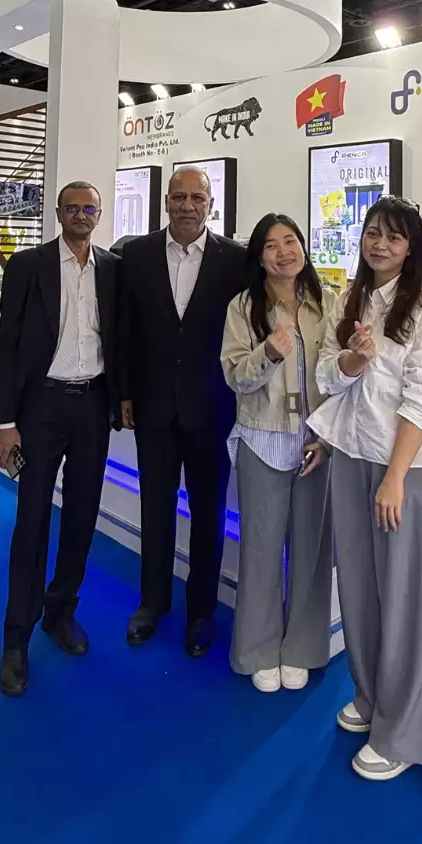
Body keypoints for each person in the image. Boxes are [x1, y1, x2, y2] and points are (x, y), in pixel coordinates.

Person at [307, 195, 422, 783]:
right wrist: (350, 361)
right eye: (372, 233)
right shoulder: (350, 298)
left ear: (411, 247)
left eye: (393, 236)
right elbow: (325, 375)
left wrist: (395, 476)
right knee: (360, 587)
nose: (380, 244)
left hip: (403, 470)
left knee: (406, 597)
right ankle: (370, 695)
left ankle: (405, 733)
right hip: (351, 456)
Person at [0, 182, 123, 697]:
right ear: (59, 213)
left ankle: (60, 611)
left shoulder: (112, 268)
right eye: (73, 208)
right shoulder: (28, 266)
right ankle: (16, 637)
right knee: (32, 521)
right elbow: (9, 345)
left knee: (83, 515)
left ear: (99, 214)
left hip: (92, 405)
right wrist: (5, 421)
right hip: (40, 408)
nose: (81, 215)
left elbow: (121, 339)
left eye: (90, 208)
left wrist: (123, 398)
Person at [120, 168, 246, 657]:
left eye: (197, 197)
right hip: (152, 406)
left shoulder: (236, 260)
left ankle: (201, 613)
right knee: (155, 507)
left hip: (212, 408)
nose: (187, 205)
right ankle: (152, 603)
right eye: (179, 197)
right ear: (166, 202)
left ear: (211, 204)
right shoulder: (136, 255)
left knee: (209, 514)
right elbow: (126, 329)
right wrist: (124, 393)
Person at [220, 213, 335, 693]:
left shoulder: (328, 302)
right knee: (261, 550)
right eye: (271, 245)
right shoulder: (244, 307)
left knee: (311, 552)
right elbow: (235, 376)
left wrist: (327, 437)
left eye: (291, 241)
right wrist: (268, 352)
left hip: (315, 442)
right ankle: (258, 649)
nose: (284, 252)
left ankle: (303, 648)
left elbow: (340, 378)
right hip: (262, 438)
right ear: (259, 257)